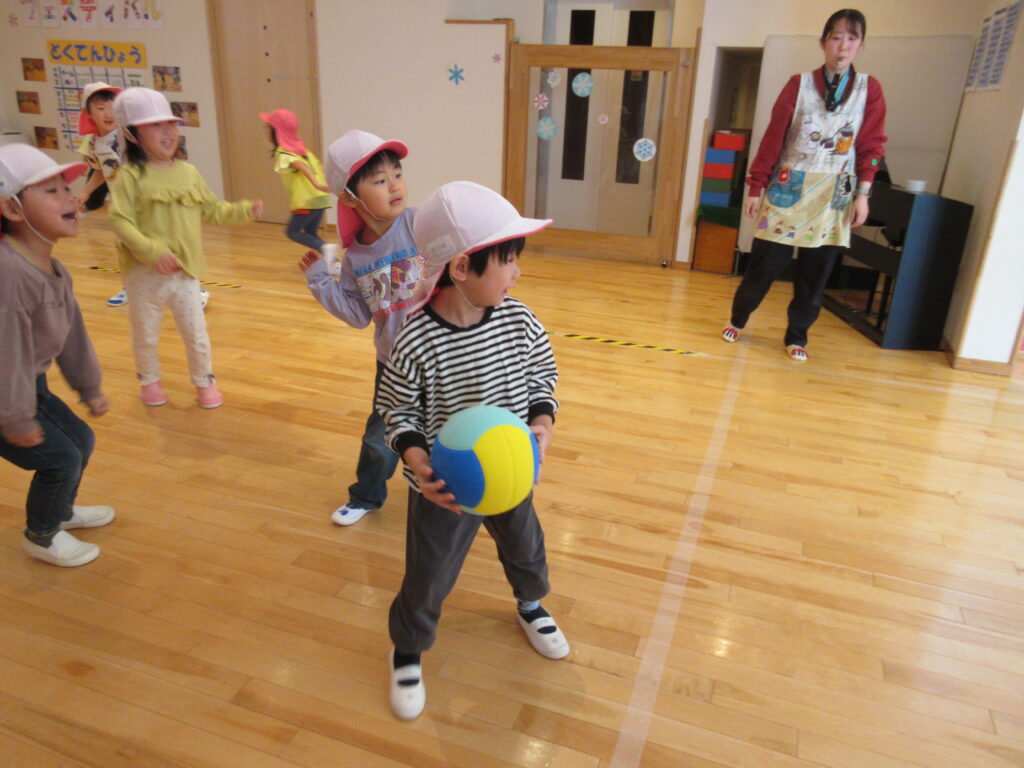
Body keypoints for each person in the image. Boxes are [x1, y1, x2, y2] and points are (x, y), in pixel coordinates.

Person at [376, 181, 568, 721]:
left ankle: (530, 604)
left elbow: (542, 374)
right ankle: (408, 647)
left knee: (526, 547)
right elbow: (397, 410)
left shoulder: (518, 319)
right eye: (507, 260)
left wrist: (542, 422)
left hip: (511, 474)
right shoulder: (416, 339)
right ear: (461, 268)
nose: (517, 272)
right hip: (446, 488)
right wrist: (417, 462)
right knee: (429, 573)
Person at [722, 8, 886, 362]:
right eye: (836, 37)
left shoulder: (869, 89)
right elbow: (773, 139)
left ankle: (797, 336)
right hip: (788, 186)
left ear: (860, 45)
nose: (843, 46)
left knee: (815, 274)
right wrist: (755, 186)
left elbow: (872, 145)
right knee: (765, 265)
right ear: (823, 42)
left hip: (835, 193)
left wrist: (863, 195)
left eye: (851, 39)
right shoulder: (798, 84)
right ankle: (738, 318)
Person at [298, 129, 424, 526]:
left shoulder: (419, 224)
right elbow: (357, 315)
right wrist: (321, 281)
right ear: (350, 198)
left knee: (447, 429)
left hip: (441, 356)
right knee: (378, 437)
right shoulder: (354, 257)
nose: (395, 185)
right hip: (394, 365)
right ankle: (366, 496)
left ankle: (446, 490)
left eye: (397, 174)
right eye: (380, 180)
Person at [108, 87, 262, 409]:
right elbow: (120, 221)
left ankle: (204, 380)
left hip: (185, 271)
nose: (167, 132)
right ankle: (149, 381)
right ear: (131, 134)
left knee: (196, 334)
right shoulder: (129, 176)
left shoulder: (188, 173)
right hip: (143, 274)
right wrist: (151, 251)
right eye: (155, 125)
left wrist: (243, 210)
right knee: (145, 334)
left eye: (171, 124)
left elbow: (212, 210)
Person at [0, 144, 114, 567]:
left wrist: (90, 387)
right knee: (60, 459)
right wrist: (15, 419)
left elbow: (70, 334)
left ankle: (59, 511)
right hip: (6, 393)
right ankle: (41, 535)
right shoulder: (9, 275)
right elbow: (7, 354)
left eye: (66, 188)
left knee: (81, 440)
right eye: (51, 191)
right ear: (12, 210)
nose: (70, 197)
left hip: (28, 384)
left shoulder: (54, 270)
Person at [76, 81, 129, 307]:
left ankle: (193, 286)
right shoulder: (93, 143)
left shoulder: (127, 136)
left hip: (146, 201)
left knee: (164, 244)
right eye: (100, 108)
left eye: (113, 107)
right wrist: (85, 192)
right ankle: (130, 287)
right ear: (88, 113)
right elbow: (100, 169)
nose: (108, 114)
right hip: (122, 205)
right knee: (126, 247)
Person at [260, 109, 331, 252]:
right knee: (310, 233)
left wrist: (316, 184)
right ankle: (333, 261)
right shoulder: (303, 150)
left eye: (267, 126)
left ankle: (327, 249)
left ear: (275, 131)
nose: (264, 129)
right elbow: (320, 167)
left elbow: (301, 165)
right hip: (321, 199)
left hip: (307, 201)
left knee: (292, 232)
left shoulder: (284, 153)